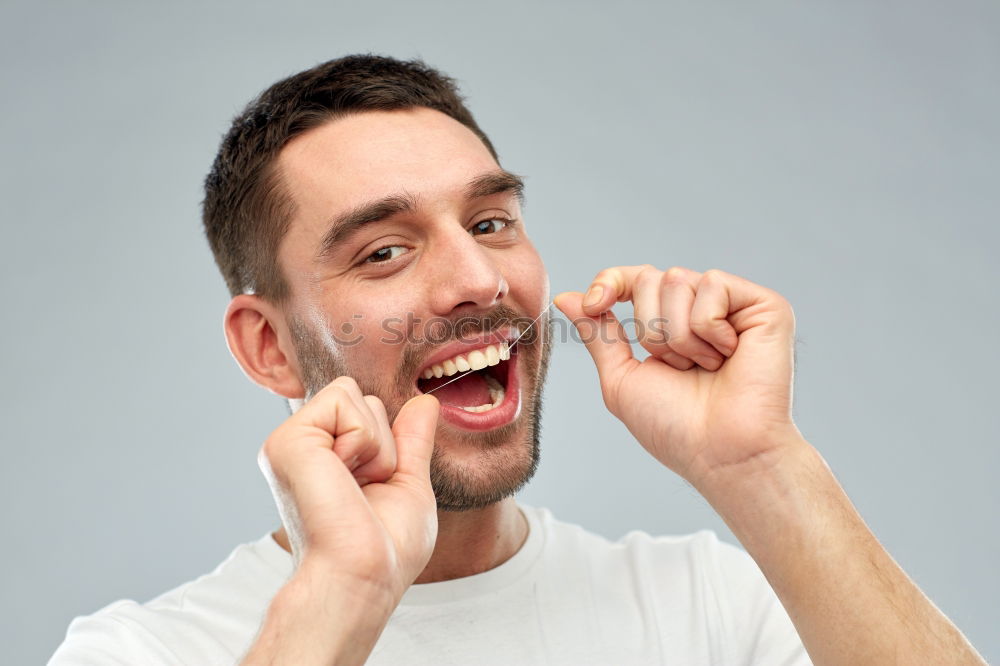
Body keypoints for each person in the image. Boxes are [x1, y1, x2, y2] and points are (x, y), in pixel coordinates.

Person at [50, 54, 985, 666]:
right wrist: (341, 598)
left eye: (492, 223)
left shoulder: (709, 606)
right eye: (384, 250)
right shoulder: (141, 650)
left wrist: (763, 469)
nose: (477, 279)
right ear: (268, 346)